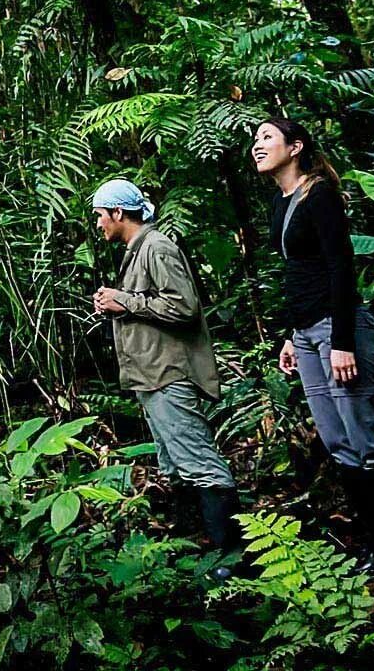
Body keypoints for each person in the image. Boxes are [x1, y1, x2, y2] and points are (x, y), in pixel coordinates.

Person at [252, 116, 374, 595]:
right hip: (308, 334)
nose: (257, 146)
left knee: (372, 440)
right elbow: (301, 273)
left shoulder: (321, 196)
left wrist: (342, 340)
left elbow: (340, 267)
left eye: (267, 137)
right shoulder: (282, 200)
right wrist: (293, 336)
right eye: (255, 139)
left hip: (339, 329)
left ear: (295, 147)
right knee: (338, 442)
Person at [88, 178, 243, 580]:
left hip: (168, 373)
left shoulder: (156, 247)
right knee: (175, 465)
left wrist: (126, 301)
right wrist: (119, 304)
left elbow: (184, 307)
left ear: (118, 214)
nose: (99, 225)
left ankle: (231, 561)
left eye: (100, 216)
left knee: (199, 463)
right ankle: (198, 553)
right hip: (151, 375)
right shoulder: (137, 251)